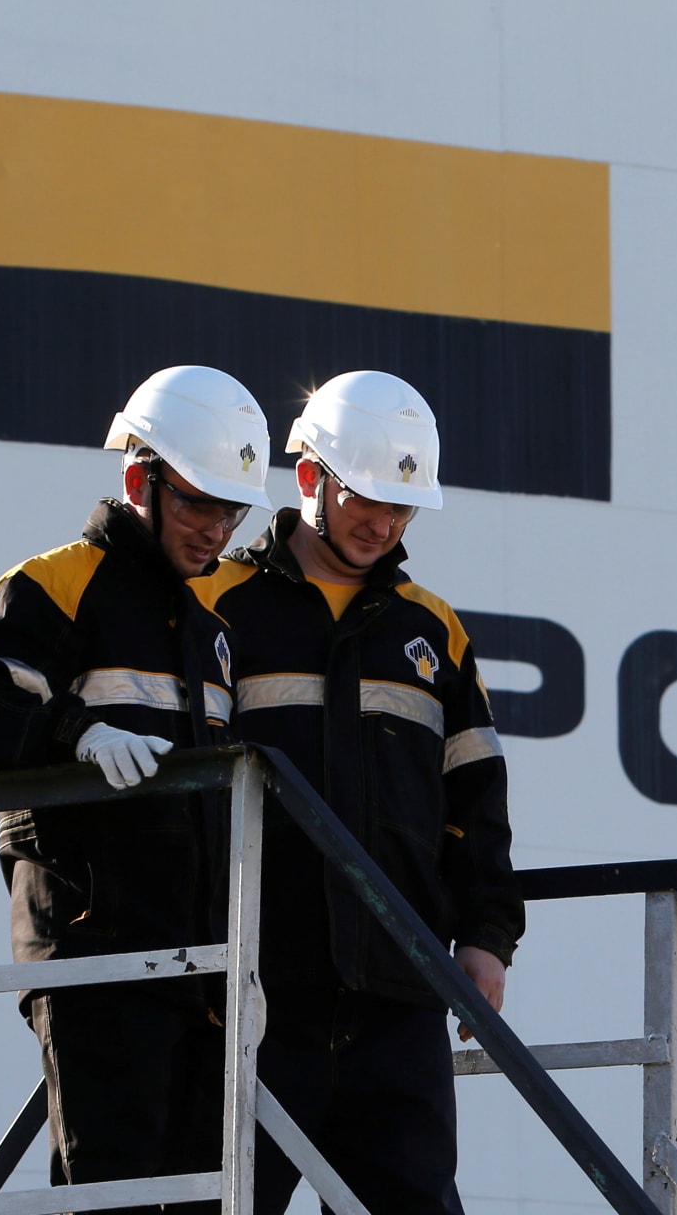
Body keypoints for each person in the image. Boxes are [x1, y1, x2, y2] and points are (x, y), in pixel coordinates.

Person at [0, 366, 274, 1210]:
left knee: (202, 1197)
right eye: (196, 503)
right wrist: (75, 731)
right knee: (106, 1193)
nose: (215, 530)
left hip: (201, 967)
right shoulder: (56, 584)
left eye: (232, 511)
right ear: (136, 479)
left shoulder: (211, 628)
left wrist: (245, 959)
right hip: (93, 951)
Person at [200, 370, 521, 1215]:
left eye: (403, 509)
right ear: (308, 478)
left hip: (398, 995)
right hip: (254, 992)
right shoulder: (216, 605)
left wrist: (487, 935)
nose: (385, 524)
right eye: (367, 501)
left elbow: (477, 799)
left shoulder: (432, 630)